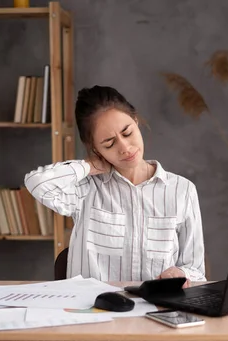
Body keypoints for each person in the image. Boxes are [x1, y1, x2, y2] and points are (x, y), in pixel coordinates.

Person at [24, 85, 205, 286]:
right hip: (92, 309)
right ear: (95, 148)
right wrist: (88, 166)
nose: (125, 148)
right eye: (109, 144)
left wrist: (180, 273)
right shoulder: (85, 188)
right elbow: (37, 183)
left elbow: (196, 270)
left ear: (136, 121)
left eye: (127, 133)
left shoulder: (182, 190)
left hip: (155, 310)